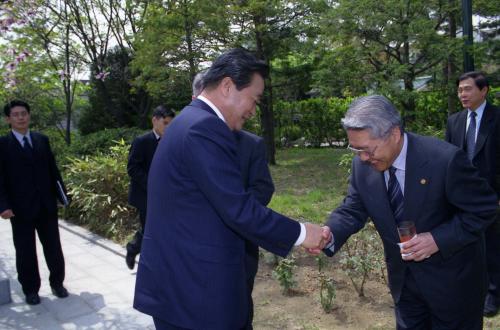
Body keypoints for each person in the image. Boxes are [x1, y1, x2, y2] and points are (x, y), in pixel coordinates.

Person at [134, 48, 331, 330]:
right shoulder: (205, 128)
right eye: (254, 98)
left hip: (179, 288)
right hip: (196, 295)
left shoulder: (187, 122)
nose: (253, 109)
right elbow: (238, 208)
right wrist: (302, 233)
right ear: (227, 86)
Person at [320, 95, 497, 329]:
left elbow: (484, 209)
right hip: (405, 287)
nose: (362, 157)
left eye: (367, 150)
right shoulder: (362, 166)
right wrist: (329, 232)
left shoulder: (444, 160)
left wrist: (437, 239)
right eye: (355, 149)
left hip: (453, 287)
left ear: (393, 134)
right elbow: (353, 208)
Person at [193, 71, 274, 329]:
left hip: (240, 251)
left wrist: (239, 210)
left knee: (238, 312)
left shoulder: (251, 144)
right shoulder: (187, 137)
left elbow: (263, 187)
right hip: (195, 257)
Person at [0, 100, 69, 305]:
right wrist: (3, 205)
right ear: (8, 119)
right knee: (25, 250)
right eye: (16, 114)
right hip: (19, 209)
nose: (21, 117)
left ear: (29, 116)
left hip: (46, 205)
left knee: (53, 247)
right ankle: (30, 290)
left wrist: (61, 196)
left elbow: (53, 171)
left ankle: (57, 284)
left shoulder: (41, 140)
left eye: (24, 113)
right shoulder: (3, 145)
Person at [445, 71, 500, 317]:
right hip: (460, 195)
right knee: (464, 240)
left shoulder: (497, 118)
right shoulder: (454, 121)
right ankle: (469, 285)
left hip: (491, 195)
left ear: (484, 90)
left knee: (493, 244)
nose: (462, 94)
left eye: (467, 89)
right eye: (460, 90)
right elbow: (447, 159)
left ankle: (494, 293)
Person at [125, 105, 176, 270]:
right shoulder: (142, 141)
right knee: (150, 228)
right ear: (155, 120)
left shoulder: (170, 141)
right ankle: (135, 251)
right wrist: (152, 184)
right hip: (145, 195)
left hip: (165, 195)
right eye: (166, 123)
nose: (168, 127)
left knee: (155, 227)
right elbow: (132, 168)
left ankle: (140, 251)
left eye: (171, 124)